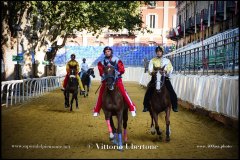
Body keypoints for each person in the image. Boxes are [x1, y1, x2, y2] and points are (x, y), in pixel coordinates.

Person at [93, 46, 137, 117]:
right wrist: (106, 76)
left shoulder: (117, 60)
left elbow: (122, 70)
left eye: (109, 51)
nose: (107, 53)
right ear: (104, 53)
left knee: (124, 93)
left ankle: (132, 107)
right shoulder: (101, 62)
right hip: (106, 80)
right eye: (106, 52)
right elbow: (101, 72)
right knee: (100, 94)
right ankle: (96, 110)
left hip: (117, 80)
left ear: (111, 52)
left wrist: (115, 73)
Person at [142, 46, 178, 112]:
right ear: (156, 52)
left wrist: (166, 71)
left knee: (171, 91)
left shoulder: (167, 61)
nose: (158, 53)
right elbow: (150, 70)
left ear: (162, 52)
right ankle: (146, 106)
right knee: (148, 91)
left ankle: (174, 106)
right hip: (155, 78)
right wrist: (153, 72)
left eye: (160, 51)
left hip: (164, 78)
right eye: (157, 52)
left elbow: (170, 68)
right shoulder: (152, 60)